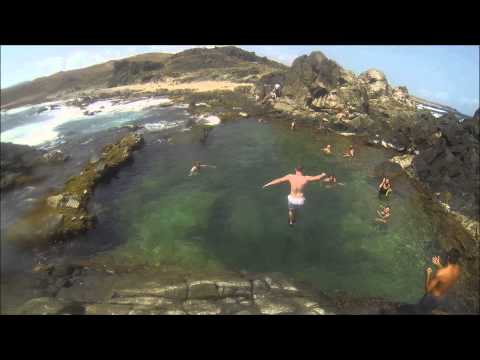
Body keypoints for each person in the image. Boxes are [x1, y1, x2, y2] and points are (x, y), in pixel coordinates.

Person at [262, 165, 327, 225]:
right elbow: (316, 178)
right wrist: (322, 174)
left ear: (295, 169)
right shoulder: (306, 178)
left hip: (292, 199)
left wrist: (268, 184)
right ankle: (295, 216)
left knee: (290, 210)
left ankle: (291, 221)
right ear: (303, 170)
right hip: (300, 200)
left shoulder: (290, 176)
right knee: (296, 210)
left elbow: (279, 180)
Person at [418, 249, 461, 314]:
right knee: (428, 311)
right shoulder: (458, 269)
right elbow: (446, 277)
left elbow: (427, 290)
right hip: (441, 299)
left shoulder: (440, 273)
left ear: (448, 257)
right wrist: (438, 265)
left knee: (419, 310)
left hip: (431, 298)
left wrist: (428, 274)